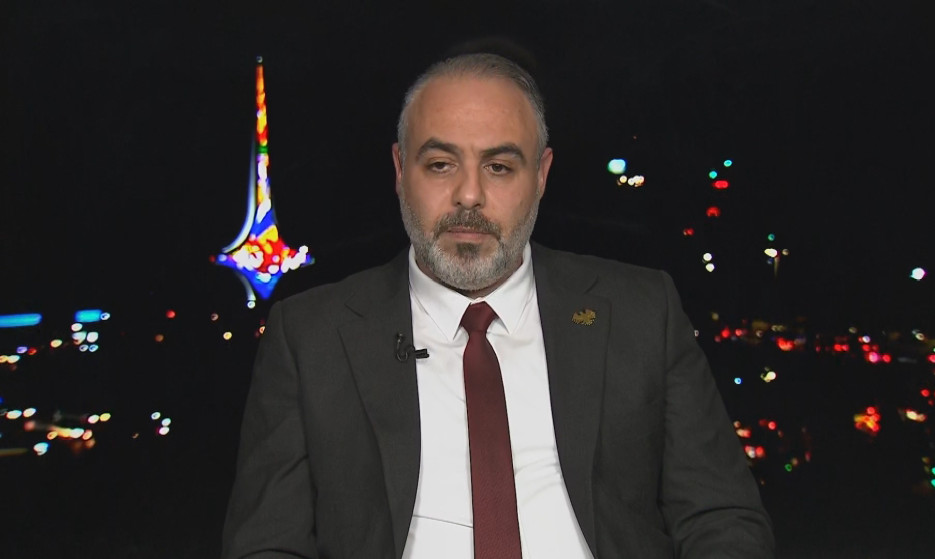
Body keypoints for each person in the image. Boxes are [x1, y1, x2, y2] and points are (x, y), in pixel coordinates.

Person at [222, 52, 774, 559]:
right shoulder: (309, 337)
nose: (469, 195)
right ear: (399, 170)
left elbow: (721, 518)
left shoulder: (642, 312)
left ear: (542, 176)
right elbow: (266, 545)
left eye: (499, 167)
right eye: (441, 164)